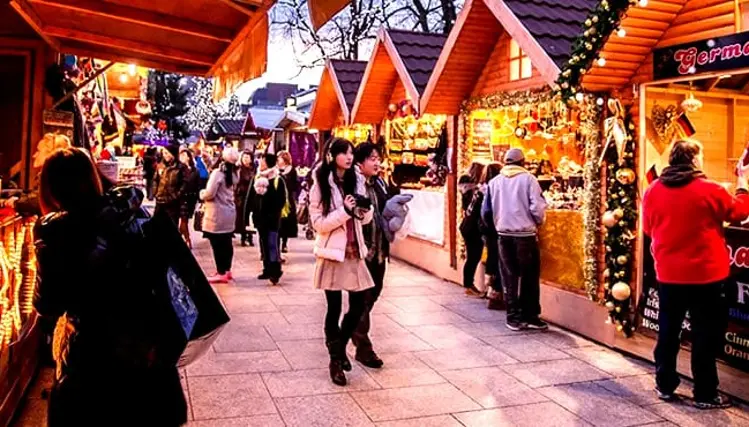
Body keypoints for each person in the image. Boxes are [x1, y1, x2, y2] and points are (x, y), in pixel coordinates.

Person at [34, 148, 187, 426]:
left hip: (93, 358)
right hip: (146, 351)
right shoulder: (134, 211)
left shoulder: (56, 231)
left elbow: (48, 304)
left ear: (51, 188)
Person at [643, 139, 749, 409]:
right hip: (706, 277)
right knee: (705, 334)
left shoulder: (653, 190)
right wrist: (743, 185)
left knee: (668, 331)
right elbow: (739, 212)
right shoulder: (709, 189)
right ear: (694, 160)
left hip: (668, 275)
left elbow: (647, 229)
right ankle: (705, 393)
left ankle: (664, 385)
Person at [309, 137, 374, 386]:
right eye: (344, 153)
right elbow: (318, 224)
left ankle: (340, 349)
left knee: (359, 305)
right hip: (332, 253)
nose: (349, 157)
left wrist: (362, 210)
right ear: (332, 155)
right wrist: (344, 212)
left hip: (354, 250)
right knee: (333, 308)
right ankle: (335, 361)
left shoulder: (356, 179)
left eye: (351, 153)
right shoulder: (320, 182)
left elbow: (364, 220)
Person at [482, 148, 547, 331]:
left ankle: (513, 317)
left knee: (509, 277)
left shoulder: (494, 182)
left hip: (504, 236)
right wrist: (537, 222)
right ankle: (530, 315)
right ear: (523, 162)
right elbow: (537, 208)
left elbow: (486, 211)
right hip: (525, 236)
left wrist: (496, 226)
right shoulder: (529, 180)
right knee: (529, 276)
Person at [351, 142, 394, 369]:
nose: (377, 163)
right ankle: (363, 348)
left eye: (379, 158)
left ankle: (352, 327)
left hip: (379, 251)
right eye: (373, 158)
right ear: (360, 161)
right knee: (363, 298)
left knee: (374, 294)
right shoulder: (353, 184)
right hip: (361, 252)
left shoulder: (379, 183)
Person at [200, 147, 240, 284]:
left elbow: (210, 193)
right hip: (229, 213)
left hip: (217, 213)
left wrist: (201, 193)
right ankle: (227, 270)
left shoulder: (219, 173)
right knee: (227, 243)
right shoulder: (234, 173)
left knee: (217, 244)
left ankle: (220, 272)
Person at [252, 152, 287, 284]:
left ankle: (275, 272)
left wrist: (272, 213)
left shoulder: (278, 180)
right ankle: (266, 269)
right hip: (260, 220)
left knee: (272, 245)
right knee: (263, 244)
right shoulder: (258, 178)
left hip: (272, 220)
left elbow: (281, 200)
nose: (260, 162)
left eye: (263, 160)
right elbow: (253, 198)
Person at [459, 162, 487, 297]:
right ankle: (468, 285)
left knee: (472, 256)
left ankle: (469, 284)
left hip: (467, 225)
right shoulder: (477, 191)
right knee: (473, 256)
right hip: (472, 227)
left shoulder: (468, 189)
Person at [480, 162, 505, 310]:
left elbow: (485, 212)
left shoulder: (485, 187)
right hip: (496, 229)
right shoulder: (496, 187)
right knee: (498, 261)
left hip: (488, 229)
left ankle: (491, 291)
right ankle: (496, 294)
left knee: (492, 259)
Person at [153, 143, 190, 227]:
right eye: (163, 153)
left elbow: (184, 185)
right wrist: (155, 192)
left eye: (166, 153)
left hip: (172, 204)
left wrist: (175, 196)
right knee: (156, 227)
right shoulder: (161, 166)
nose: (164, 155)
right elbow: (155, 180)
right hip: (159, 200)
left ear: (172, 154)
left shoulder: (181, 167)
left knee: (170, 228)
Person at [179, 147, 201, 249]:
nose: (182, 157)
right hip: (181, 198)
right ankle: (187, 240)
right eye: (181, 155)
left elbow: (197, 185)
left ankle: (181, 237)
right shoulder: (178, 169)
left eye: (184, 155)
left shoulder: (195, 170)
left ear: (189, 157)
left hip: (191, 198)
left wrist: (198, 199)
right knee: (184, 220)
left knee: (185, 220)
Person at [277, 150, 299, 253]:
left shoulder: (292, 171)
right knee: (278, 222)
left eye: (280, 158)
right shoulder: (275, 170)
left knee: (286, 222)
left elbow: (295, 185)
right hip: (278, 198)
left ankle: (284, 243)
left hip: (288, 199)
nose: (278, 160)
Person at [235, 150, 256, 247]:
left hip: (251, 197)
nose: (245, 159)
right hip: (242, 197)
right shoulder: (239, 169)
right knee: (242, 218)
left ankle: (250, 237)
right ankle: (243, 237)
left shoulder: (254, 170)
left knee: (249, 218)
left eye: (248, 157)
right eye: (244, 157)